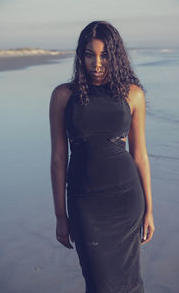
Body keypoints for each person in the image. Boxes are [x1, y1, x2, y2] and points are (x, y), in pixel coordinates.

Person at [49, 20, 155, 293]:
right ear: (80, 56)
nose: (97, 63)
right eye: (89, 54)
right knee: (99, 284)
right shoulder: (64, 96)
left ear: (115, 56)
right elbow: (59, 159)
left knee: (130, 283)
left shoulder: (132, 94)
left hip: (126, 200)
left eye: (104, 55)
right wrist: (61, 215)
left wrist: (150, 210)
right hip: (85, 204)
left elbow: (140, 155)